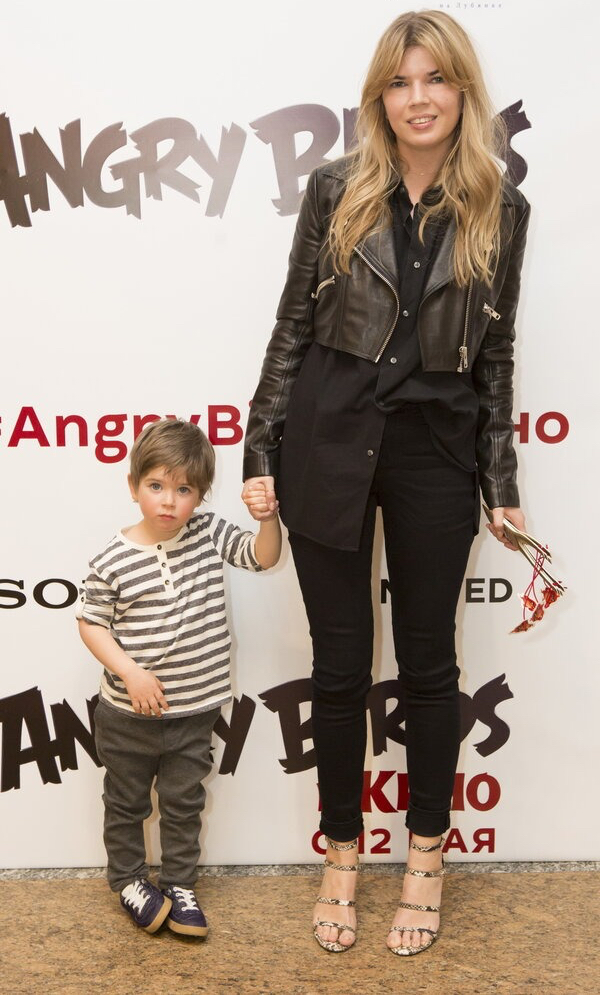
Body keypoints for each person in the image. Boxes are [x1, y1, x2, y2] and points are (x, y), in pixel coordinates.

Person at [242, 9, 529, 957]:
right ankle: (340, 857)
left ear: (463, 92)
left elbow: (496, 356)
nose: (419, 98)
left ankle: (426, 861)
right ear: (379, 97)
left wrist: (500, 476)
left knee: (430, 666)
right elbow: (292, 324)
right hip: (328, 437)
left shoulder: (500, 207)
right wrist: (259, 448)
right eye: (401, 82)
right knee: (337, 667)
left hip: (436, 452)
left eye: (436, 79)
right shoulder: (336, 188)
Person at [78, 418, 281, 936]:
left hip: (194, 711)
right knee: (125, 803)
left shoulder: (209, 533)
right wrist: (130, 672)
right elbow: (91, 624)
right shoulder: (111, 559)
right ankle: (128, 879)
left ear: (201, 495)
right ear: (133, 487)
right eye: (156, 486)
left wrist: (268, 519)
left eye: (184, 490)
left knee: (183, 803)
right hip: (128, 715)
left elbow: (263, 557)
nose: (169, 501)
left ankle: (178, 884)